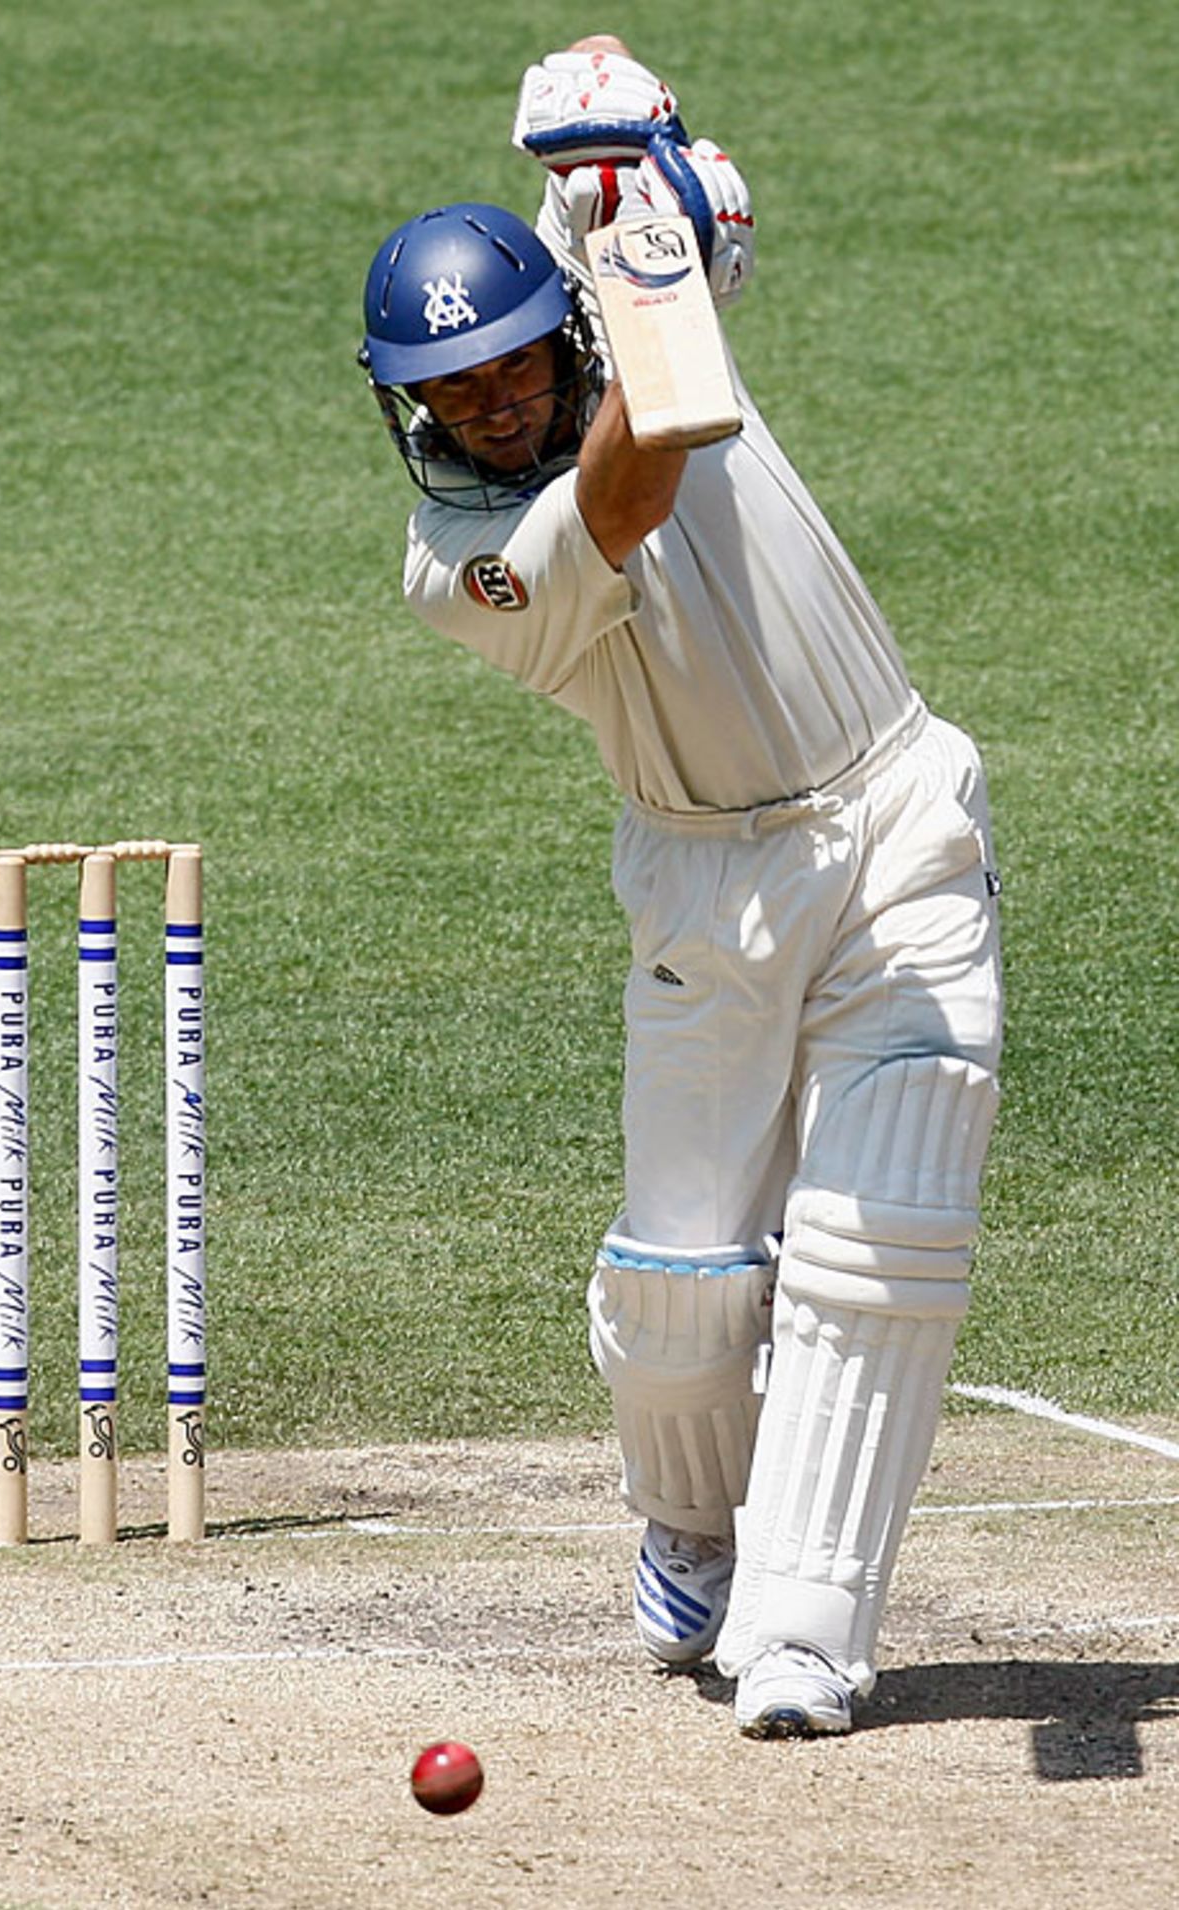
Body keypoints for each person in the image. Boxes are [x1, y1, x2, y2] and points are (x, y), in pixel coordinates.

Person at [359, 36, 1002, 1738]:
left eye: (506, 369)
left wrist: (646, 174)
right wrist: (663, 290)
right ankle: (689, 1517)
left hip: (899, 814)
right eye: (451, 395)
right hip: (704, 881)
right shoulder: (464, 567)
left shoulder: (623, 307)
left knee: (886, 1237)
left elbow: (650, 180)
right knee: (683, 1295)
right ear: (409, 409)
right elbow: (630, 484)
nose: (486, 405)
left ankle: (804, 1630)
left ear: (549, 335)